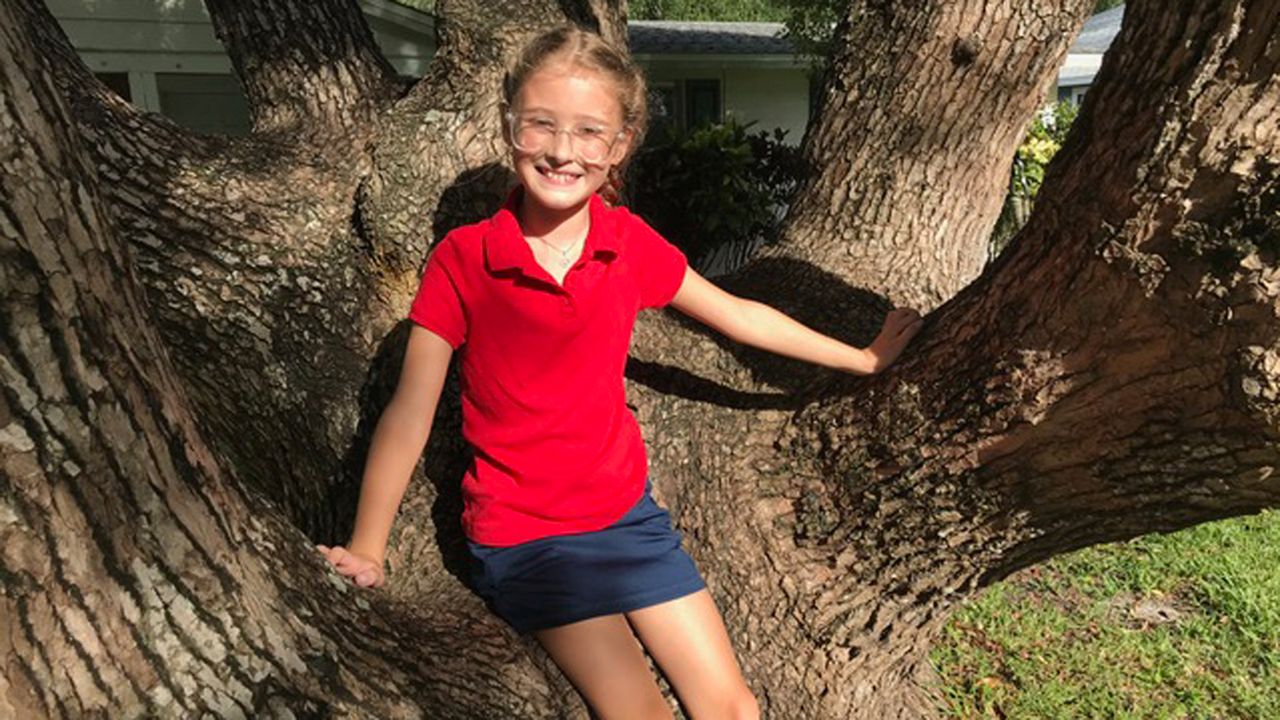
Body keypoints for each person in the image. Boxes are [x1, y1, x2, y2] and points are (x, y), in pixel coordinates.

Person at [316, 25, 924, 720]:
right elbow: (409, 410)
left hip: (627, 521)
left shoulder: (626, 243)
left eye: (587, 132)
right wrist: (369, 546)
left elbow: (736, 316)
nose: (561, 150)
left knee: (734, 708)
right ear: (510, 126)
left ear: (619, 145)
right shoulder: (465, 257)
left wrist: (864, 356)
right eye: (540, 125)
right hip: (527, 537)